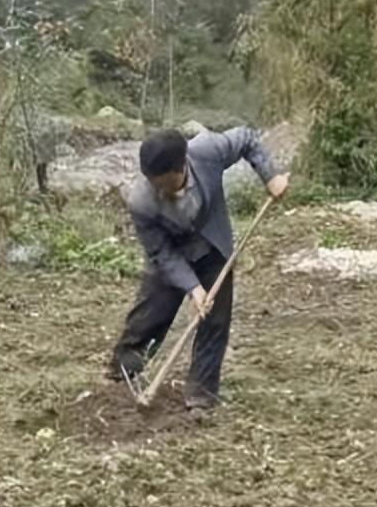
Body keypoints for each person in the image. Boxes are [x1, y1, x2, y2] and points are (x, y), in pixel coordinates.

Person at [109, 127, 289, 410]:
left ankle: (201, 395)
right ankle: (122, 376)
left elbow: (247, 139)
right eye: (152, 182)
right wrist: (193, 289)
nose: (157, 189)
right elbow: (161, 253)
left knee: (214, 321)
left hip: (212, 246)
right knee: (150, 315)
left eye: (162, 183)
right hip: (171, 254)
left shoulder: (207, 151)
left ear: (180, 167)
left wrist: (271, 176)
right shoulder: (141, 201)